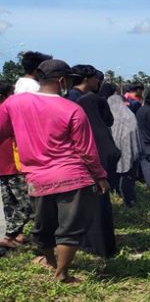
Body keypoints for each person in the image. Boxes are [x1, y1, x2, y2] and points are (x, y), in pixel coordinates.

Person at [0, 59, 109, 283]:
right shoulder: (72, 109)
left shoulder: (13, 104)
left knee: (45, 227)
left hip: (37, 178)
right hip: (73, 176)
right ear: (62, 81)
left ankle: (51, 263)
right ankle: (62, 274)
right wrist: (100, 177)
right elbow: (86, 150)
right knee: (69, 228)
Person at [75, 78, 119, 259]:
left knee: (91, 210)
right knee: (102, 209)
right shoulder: (101, 129)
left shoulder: (85, 130)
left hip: (93, 174)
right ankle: (105, 246)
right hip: (103, 172)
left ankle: (93, 246)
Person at [0, 83, 33, 249]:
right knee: (27, 203)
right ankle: (9, 235)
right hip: (14, 165)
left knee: (10, 204)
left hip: (5, 166)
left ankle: (15, 236)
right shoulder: (7, 112)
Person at [106, 83, 141, 206]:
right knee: (126, 175)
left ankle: (120, 195)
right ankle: (128, 199)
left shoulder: (109, 113)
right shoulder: (128, 114)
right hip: (129, 150)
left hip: (114, 149)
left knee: (118, 174)